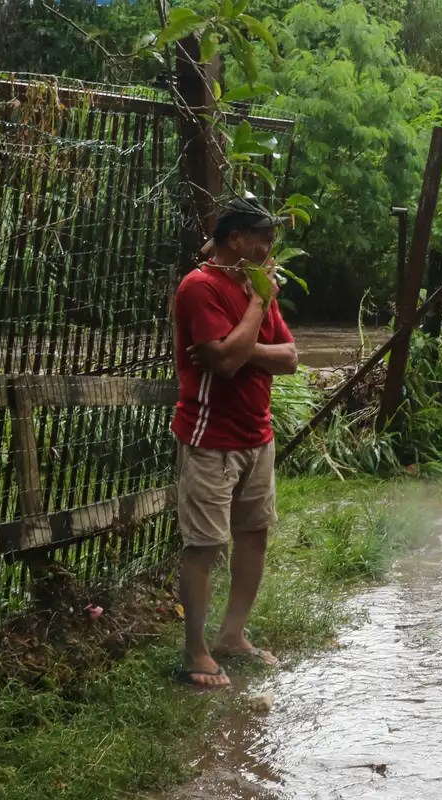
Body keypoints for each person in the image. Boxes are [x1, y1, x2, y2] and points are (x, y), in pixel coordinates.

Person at [171, 196, 299, 689]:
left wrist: (242, 348)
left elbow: (289, 357)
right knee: (204, 545)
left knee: (255, 534)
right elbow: (220, 365)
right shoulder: (199, 288)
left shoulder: (256, 287)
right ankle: (195, 651)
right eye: (263, 239)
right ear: (234, 240)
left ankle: (232, 635)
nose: (269, 249)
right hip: (211, 436)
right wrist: (258, 305)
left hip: (256, 434)